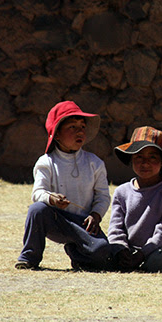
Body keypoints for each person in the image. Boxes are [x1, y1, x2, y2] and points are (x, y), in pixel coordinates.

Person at [15, 101, 111, 271]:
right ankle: (29, 257)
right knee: (36, 210)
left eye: (82, 126)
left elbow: (102, 196)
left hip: (84, 224)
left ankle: (77, 253)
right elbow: (38, 192)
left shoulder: (94, 163)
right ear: (57, 134)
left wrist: (95, 215)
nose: (80, 130)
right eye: (72, 127)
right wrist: (51, 199)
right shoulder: (46, 162)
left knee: (103, 252)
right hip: (56, 220)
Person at [107, 126, 162, 273]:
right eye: (139, 157)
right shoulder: (122, 192)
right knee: (102, 256)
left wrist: (144, 252)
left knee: (156, 262)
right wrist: (121, 249)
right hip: (130, 249)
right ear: (131, 159)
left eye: (152, 157)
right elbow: (116, 228)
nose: (145, 163)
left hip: (159, 247)